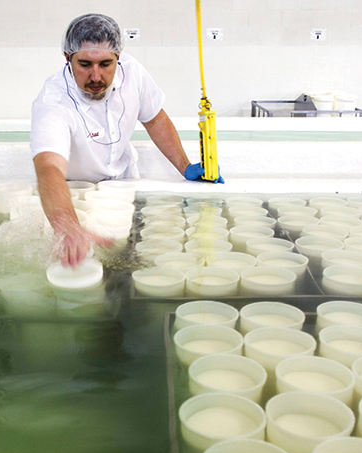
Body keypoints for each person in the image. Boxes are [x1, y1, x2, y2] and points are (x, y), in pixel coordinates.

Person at [30, 13, 221, 267]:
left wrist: (185, 166)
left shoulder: (133, 73)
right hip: (75, 196)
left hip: (123, 186)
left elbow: (154, 119)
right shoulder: (54, 102)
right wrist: (67, 226)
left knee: (130, 262)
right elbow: (48, 167)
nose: (96, 76)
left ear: (118, 58)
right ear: (67, 58)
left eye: (106, 64)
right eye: (85, 64)